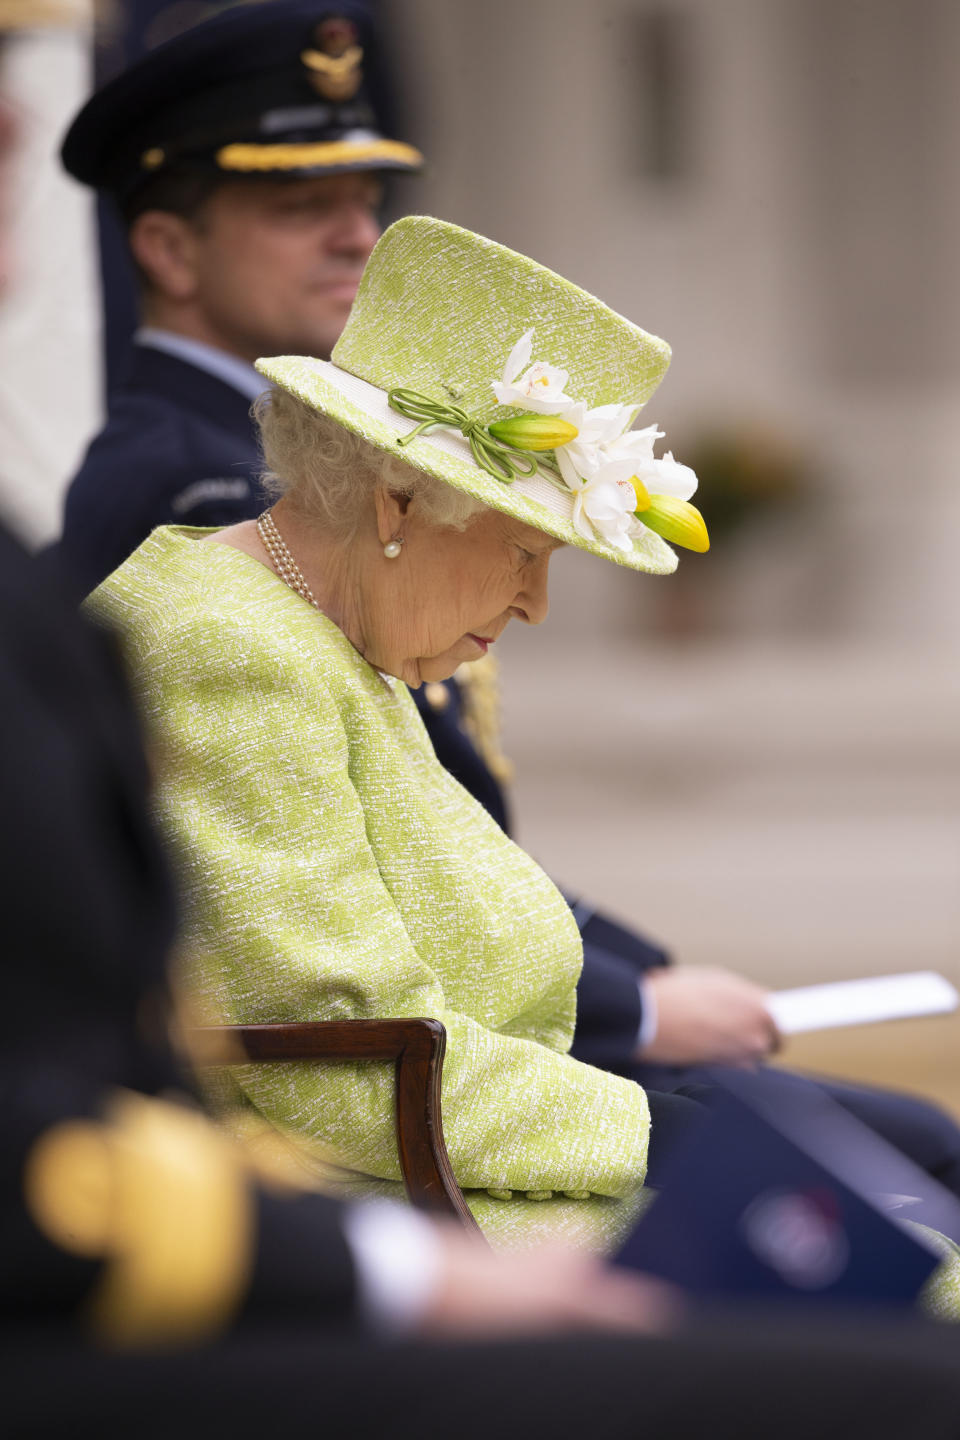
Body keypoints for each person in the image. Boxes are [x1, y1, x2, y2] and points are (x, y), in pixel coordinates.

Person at [84, 213, 960, 1310]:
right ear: (398, 505)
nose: (538, 606)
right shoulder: (229, 647)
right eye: (526, 555)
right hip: (437, 1222)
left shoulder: (322, 626)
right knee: (927, 1280)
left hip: (500, 1162)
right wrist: (668, 1131)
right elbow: (343, 1072)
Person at [417, 664, 960, 1197]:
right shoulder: (365, 663)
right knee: (918, 1151)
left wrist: (649, 978)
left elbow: (495, 880)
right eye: (522, 567)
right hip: (518, 1062)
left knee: (923, 1137)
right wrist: (642, 1010)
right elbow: (433, 906)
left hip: (564, 1039)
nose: (534, 603)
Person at [57, 0, 422, 595]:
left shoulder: (235, 453)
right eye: (303, 207)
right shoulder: (198, 488)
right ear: (171, 251)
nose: (361, 238)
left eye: (367, 202)